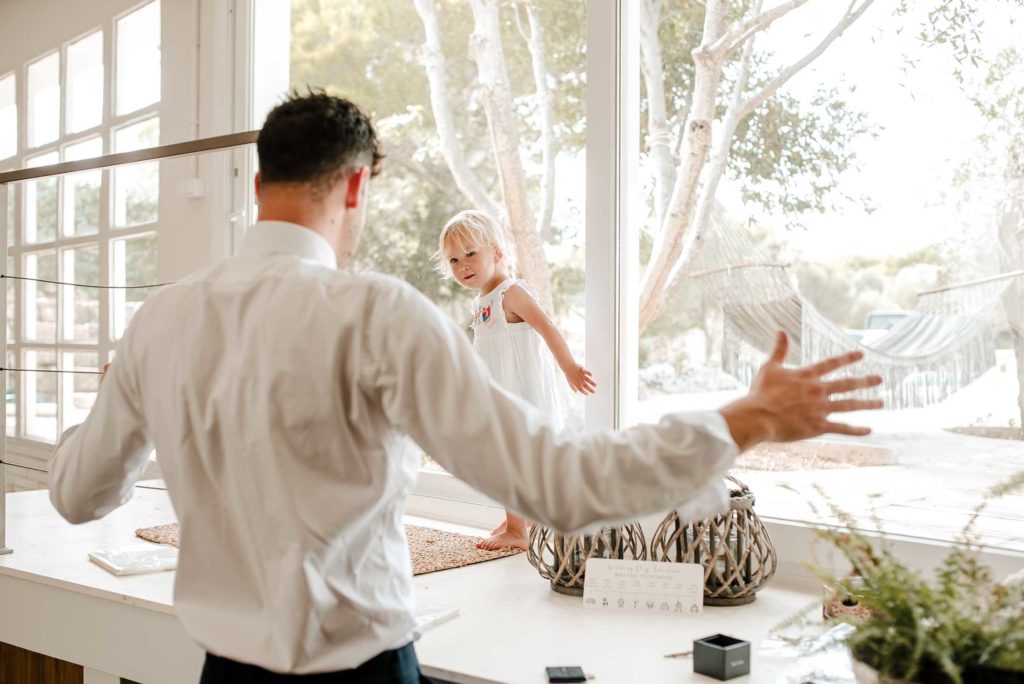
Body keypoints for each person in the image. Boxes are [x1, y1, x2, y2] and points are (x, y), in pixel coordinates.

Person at [48, 90, 882, 683]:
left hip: (223, 676)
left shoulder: (161, 321)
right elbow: (561, 483)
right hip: (366, 673)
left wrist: (118, 394)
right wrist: (741, 419)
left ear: (257, 185)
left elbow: (79, 497)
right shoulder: (378, 314)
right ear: (357, 186)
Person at [436, 209, 595, 550]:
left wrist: (569, 367)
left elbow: (547, 328)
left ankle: (518, 530)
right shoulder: (482, 301)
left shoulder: (511, 293)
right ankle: (518, 521)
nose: (462, 265)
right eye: (453, 259)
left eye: (470, 254)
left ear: (495, 252)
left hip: (519, 390)